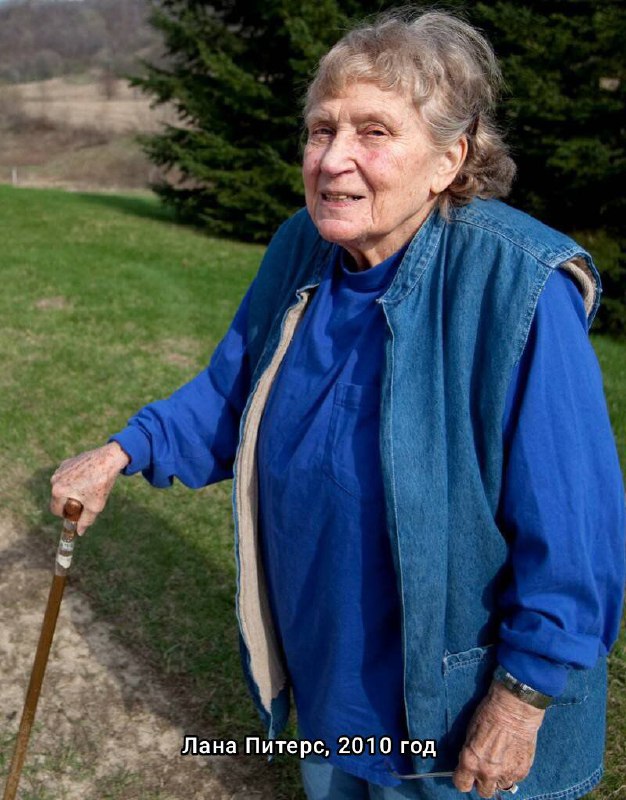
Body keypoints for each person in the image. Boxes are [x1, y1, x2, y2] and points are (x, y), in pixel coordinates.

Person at [49, 9, 625, 800]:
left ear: (450, 158)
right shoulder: (303, 247)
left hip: (454, 712)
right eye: (321, 130)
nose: (332, 159)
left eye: (373, 132)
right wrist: (124, 451)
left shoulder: (514, 283)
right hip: (332, 676)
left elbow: (575, 529)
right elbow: (233, 393)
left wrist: (522, 698)